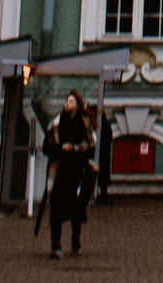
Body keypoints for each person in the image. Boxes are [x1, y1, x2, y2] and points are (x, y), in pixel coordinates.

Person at [44, 92, 95, 258]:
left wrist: (80, 148)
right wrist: (61, 149)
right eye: (67, 101)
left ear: (78, 105)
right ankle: (55, 245)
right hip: (59, 170)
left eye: (71, 101)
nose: (67, 103)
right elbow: (47, 147)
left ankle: (75, 240)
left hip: (77, 171)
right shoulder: (57, 124)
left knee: (77, 209)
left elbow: (91, 146)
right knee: (56, 209)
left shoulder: (84, 124)